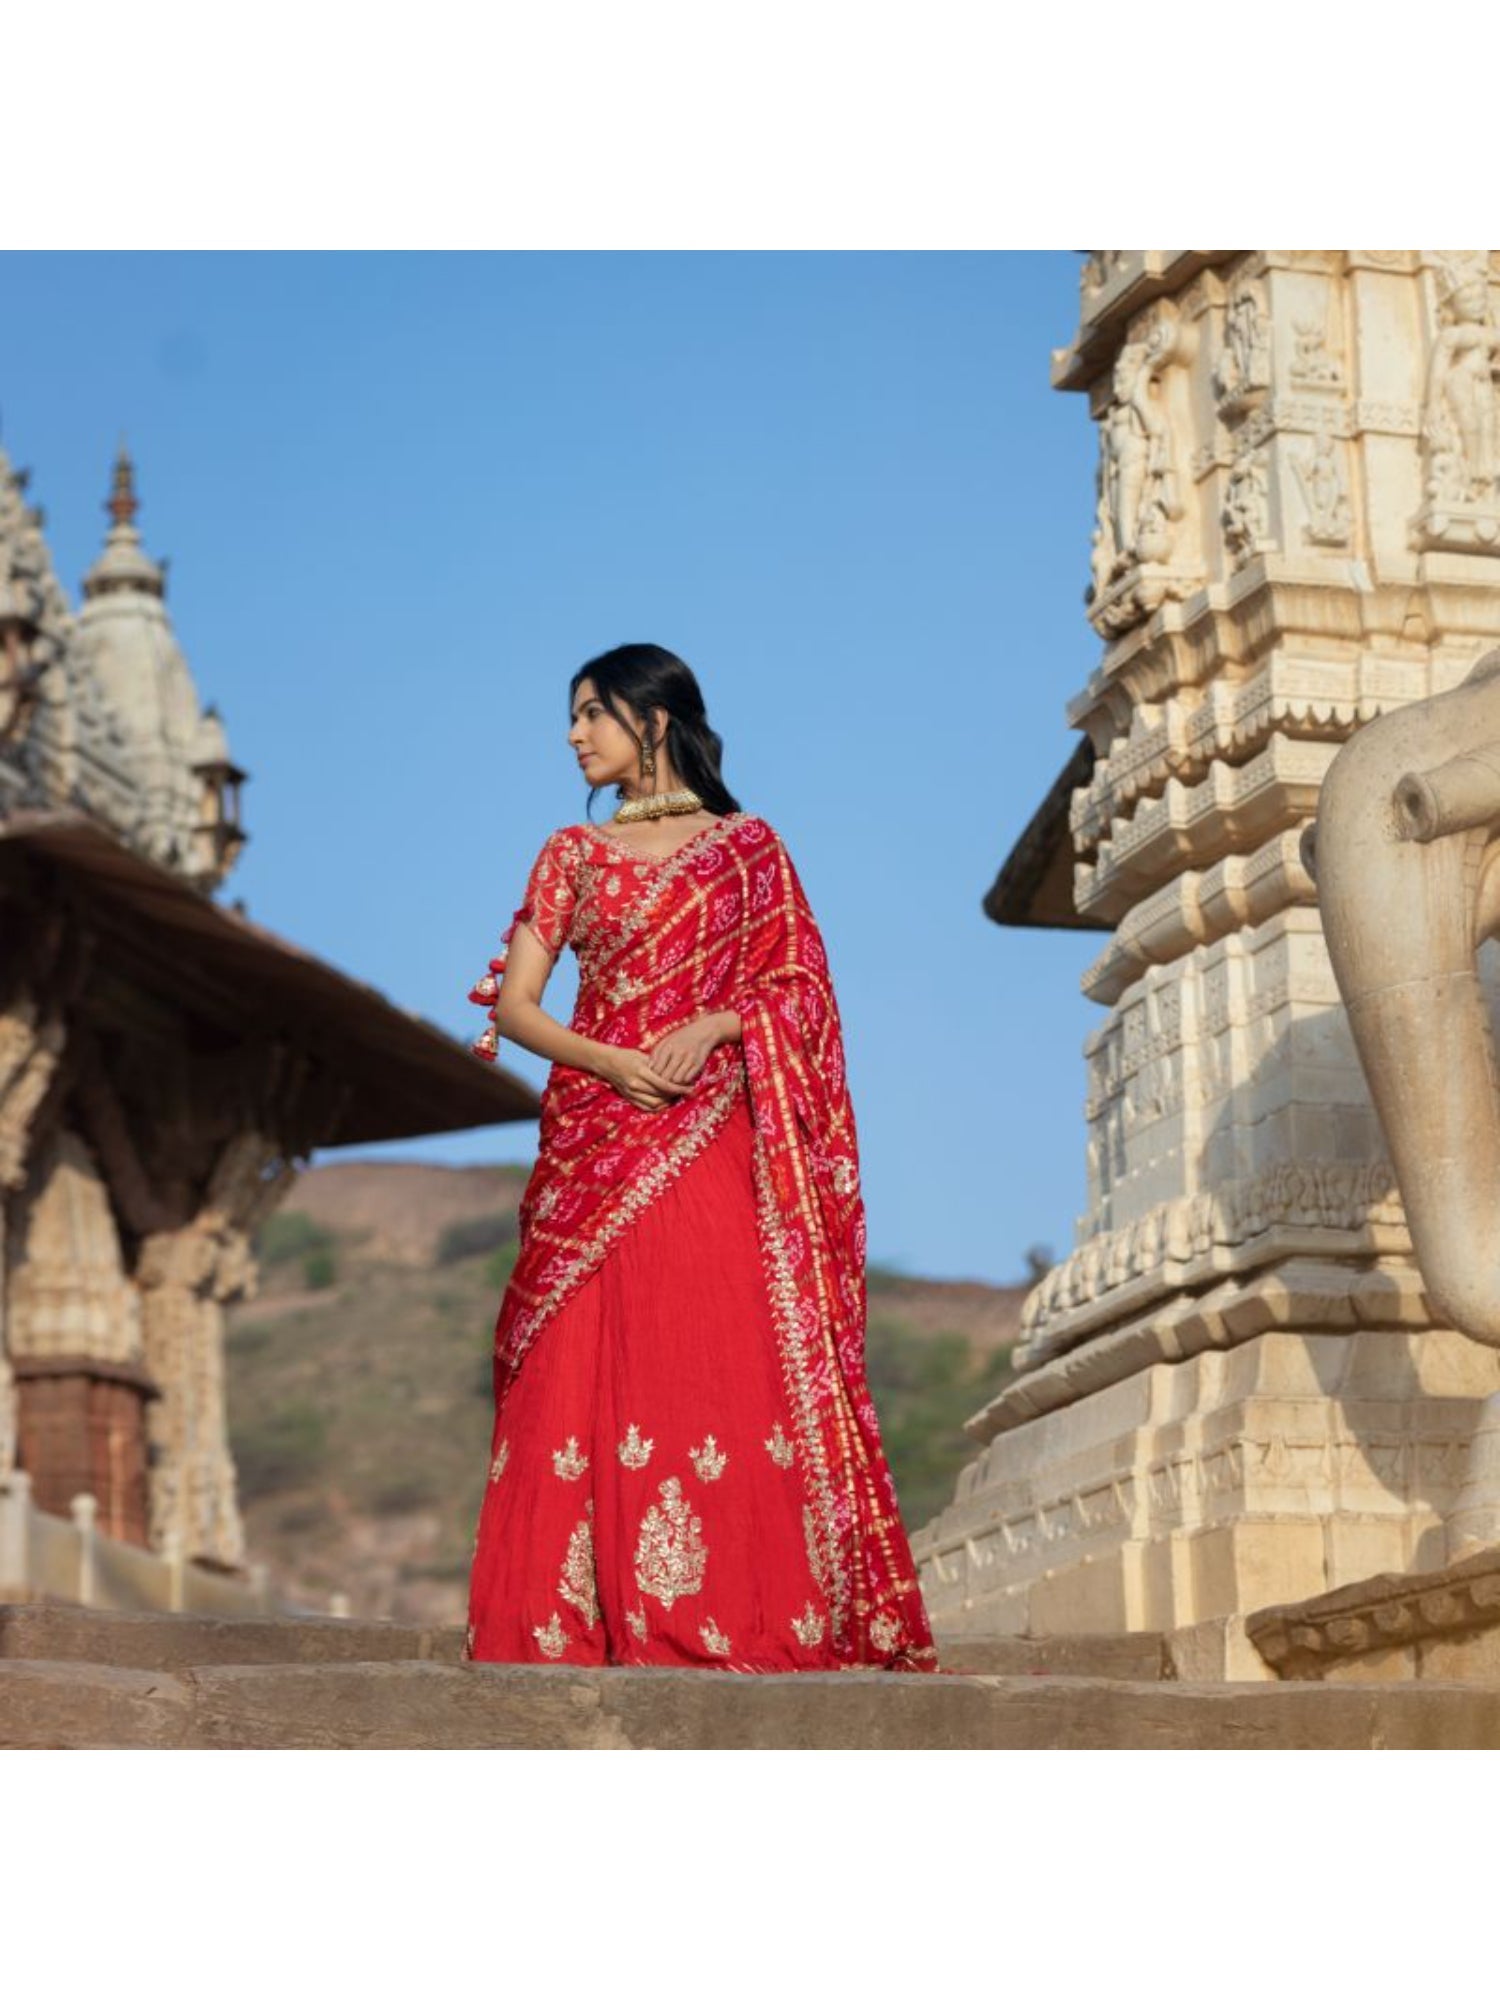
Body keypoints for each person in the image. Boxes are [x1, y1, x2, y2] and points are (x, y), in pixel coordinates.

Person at [462, 643, 937, 1672]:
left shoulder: (749, 850)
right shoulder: (569, 854)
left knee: (714, 1358)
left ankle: (733, 1616)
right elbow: (516, 1007)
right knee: (574, 1361)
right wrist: (611, 1061)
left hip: (710, 1136)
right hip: (595, 1145)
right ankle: (566, 1624)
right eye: (573, 716)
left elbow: (801, 990)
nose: (573, 735)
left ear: (654, 720)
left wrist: (720, 1022)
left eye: (592, 713)